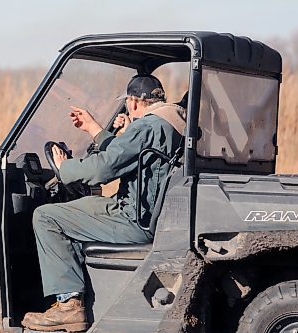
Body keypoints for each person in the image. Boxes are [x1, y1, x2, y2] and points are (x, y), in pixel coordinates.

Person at [22, 74, 186, 332]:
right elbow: (124, 153)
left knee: (46, 216)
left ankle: (69, 306)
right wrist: (93, 129)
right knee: (82, 207)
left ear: (133, 102)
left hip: (132, 218)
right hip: (146, 213)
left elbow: (103, 169)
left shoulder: (148, 127)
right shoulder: (171, 122)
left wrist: (65, 168)